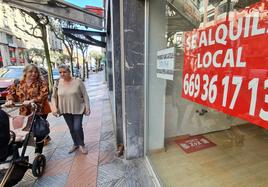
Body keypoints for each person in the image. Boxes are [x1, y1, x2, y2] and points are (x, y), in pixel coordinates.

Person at [5, 64, 51, 155]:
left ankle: (38, 152)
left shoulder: (41, 83)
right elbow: (11, 92)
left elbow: (44, 94)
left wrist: (32, 100)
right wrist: (10, 100)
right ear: (25, 72)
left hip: (40, 110)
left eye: (35, 72)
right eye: (30, 71)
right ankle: (46, 136)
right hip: (25, 110)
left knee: (38, 130)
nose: (34, 74)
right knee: (26, 129)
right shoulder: (18, 83)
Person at [51, 64, 90, 154]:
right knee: (71, 128)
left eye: (64, 72)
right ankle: (75, 143)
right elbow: (53, 97)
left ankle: (82, 145)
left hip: (78, 108)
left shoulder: (77, 81)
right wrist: (54, 108)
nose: (62, 74)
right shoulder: (57, 83)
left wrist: (87, 107)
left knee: (77, 127)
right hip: (65, 109)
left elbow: (85, 94)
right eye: (60, 72)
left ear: (69, 72)